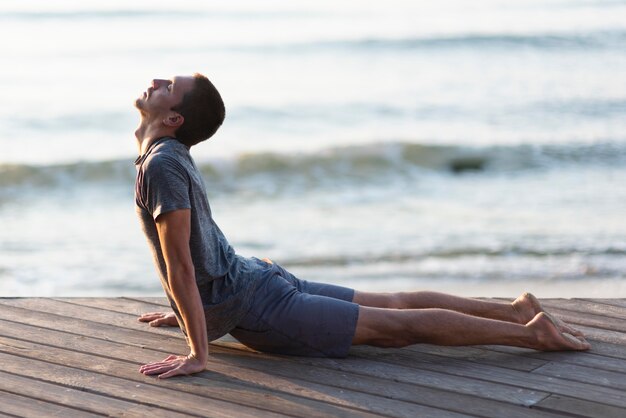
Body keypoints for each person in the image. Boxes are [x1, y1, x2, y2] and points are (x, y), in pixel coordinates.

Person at [133, 73, 590, 379]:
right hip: (254, 280)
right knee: (394, 304)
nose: (155, 81)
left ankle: (530, 332)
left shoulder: (162, 164)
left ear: (174, 119)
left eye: (168, 84)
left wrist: (198, 353)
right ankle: (514, 310)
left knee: (396, 327)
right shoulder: (169, 158)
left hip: (261, 306)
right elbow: (196, 251)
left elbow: (183, 265)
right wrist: (191, 311)